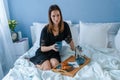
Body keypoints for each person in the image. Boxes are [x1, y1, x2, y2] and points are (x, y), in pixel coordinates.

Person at [30, 4, 75, 70]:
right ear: (50, 17)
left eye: (58, 15)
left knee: (55, 65)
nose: (56, 18)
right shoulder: (45, 30)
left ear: (60, 15)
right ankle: (37, 64)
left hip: (54, 52)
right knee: (47, 67)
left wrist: (75, 51)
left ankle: (45, 63)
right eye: (53, 16)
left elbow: (69, 40)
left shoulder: (65, 26)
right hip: (44, 52)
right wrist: (52, 47)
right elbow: (42, 48)